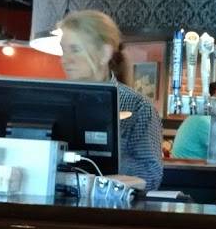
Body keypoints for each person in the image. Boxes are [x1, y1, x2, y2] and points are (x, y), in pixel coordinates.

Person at [58, 10, 163, 190]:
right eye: (63, 50)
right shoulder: (55, 101)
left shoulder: (138, 107)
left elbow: (151, 174)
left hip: (109, 204)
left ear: (104, 54)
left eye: (75, 50)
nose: (64, 60)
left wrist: (104, 158)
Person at [171, 82, 216, 160]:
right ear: (210, 100)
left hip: (182, 164)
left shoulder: (199, 116)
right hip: (186, 166)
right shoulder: (203, 120)